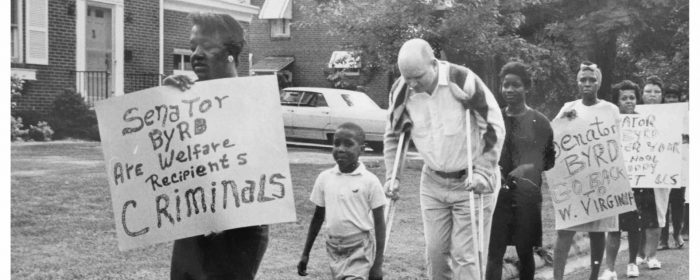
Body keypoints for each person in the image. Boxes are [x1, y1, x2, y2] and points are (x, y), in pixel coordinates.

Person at [384, 38, 505, 280]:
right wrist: (392, 177)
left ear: (433, 63)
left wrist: (483, 171)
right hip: (433, 182)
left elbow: (493, 126)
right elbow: (394, 136)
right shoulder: (401, 90)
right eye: (406, 76)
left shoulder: (462, 79)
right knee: (436, 255)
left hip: (472, 179)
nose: (412, 83)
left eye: (417, 76)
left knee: (465, 257)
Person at [162, 13, 269, 280]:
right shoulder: (185, 100)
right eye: (192, 48)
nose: (195, 55)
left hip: (237, 230)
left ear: (230, 53)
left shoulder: (255, 101)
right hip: (192, 227)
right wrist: (165, 102)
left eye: (206, 47)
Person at [484, 62, 555, 280]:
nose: (509, 90)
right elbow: (485, 151)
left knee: (525, 252)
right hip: (498, 196)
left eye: (515, 85)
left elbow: (549, 160)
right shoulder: (495, 119)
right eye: (506, 85)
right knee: (493, 252)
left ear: (526, 88)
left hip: (527, 197)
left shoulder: (539, 122)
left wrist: (527, 167)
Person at [551, 62, 619, 280]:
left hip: (599, 178)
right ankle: (557, 277)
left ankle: (593, 275)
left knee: (597, 231)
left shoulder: (610, 109)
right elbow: (556, 139)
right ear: (577, 82)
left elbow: (614, 144)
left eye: (592, 79)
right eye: (583, 80)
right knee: (565, 230)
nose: (587, 83)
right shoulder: (569, 107)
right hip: (575, 178)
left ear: (599, 81)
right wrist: (564, 121)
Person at [297, 123, 386, 280]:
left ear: (362, 149)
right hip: (333, 248)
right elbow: (317, 217)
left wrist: (377, 264)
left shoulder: (370, 181)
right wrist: (305, 253)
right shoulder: (325, 178)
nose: (341, 149)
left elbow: (380, 224)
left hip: (360, 247)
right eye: (336, 143)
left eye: (348, 144)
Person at [598, 80, 645, 280]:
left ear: (637, 99)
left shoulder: (645, 121)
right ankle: (610, 268)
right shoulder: (609, 122)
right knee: (614, 226)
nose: (628, 101)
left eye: (632, 97)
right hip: (615, 179)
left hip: (640, 179)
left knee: (635, 225)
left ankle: (632, 263)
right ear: (617, 101)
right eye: (624, 98)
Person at [634, 75, 669, 270]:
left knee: (657, 213)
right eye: (648, 91)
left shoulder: (672, 115)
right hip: (638, 171)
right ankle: (639, 253)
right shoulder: (632, 114)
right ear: (642, 94)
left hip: (661, 172)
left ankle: (652, 255)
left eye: (656, 92)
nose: (652, 95)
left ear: (662, 95)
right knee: (638, 214)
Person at [659, 84, 686, 250]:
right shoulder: (658, 114)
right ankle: (663, 238)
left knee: (678, 201)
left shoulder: (686, 116)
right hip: (662, 164)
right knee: (663, 202)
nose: (670, 100)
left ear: (679, 98)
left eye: (673, 97)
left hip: (681, 163)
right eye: (668, 96)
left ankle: (677, 233)